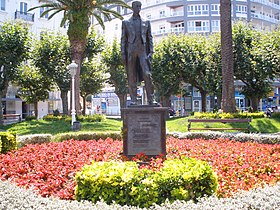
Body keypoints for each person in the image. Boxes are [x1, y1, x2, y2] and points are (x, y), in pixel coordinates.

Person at [121, 1, 156, 105]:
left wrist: (151, 52)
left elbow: (150, 37)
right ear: (132, 8)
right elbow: (123, 39)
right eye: (136, 6)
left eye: (140, 6)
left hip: (143, 50)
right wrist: (123, 53)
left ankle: (151, 99)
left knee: (147, 74)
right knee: (131, 76)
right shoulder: (126, 22)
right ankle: (133, 100)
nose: (138, 8)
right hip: (131, 51)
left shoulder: (146, 21)